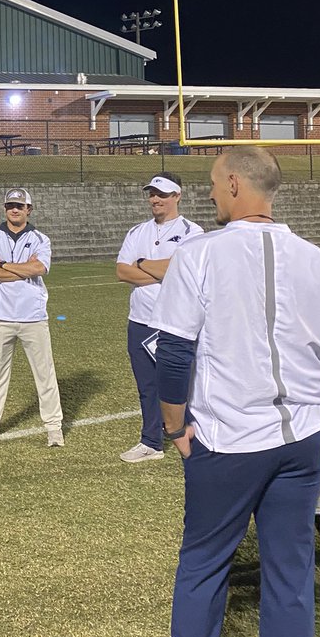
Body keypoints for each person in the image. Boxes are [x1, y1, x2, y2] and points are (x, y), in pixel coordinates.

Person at [134, 148, 320, 637]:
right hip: (302, 438)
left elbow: (173, 353)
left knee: (203, 565)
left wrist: (174, 428)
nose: (211, 193)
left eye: (216, 183)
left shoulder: (199, 255)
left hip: (228, 438)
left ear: (236, 182)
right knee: (290, 570)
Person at [0, 188, 64, 447]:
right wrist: (21, 270)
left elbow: (40, 268)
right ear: (4, 208)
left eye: (20, 206)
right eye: (10, 205)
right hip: (0, 317)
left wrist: (3, 265)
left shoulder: (41, 239)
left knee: (45, 374)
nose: (15, 210)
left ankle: (53, 427)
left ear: (29, 209)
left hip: (33, 316)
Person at [116, 173, 203, 463]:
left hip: (176, 321)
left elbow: (182, 271)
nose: (155, 199)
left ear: (177, 196)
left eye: (162, 194)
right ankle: (151, 441)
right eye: (152, 194)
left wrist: (141, 264)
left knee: (185, 384)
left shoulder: (193, 232)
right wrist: (160, 271)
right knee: (147, 386)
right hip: (140, 320)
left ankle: (195, 438)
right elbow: (121, 272)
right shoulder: (137, 231)